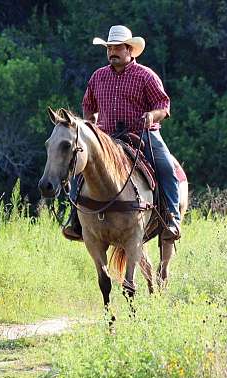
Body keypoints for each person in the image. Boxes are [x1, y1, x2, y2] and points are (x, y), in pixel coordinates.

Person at [62, 25, 181, 241]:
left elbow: (163, 106)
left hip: (142, 134)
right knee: (80, 166)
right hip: (106, 136)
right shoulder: (98, 76)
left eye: (117, 48)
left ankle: (171, 219)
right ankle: (75, 219)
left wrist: (151, 116)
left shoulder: (146, 76)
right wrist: (90, 122)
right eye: (109, 48)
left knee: (166, 167)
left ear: (130, 50)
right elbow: (88, 103)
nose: (111, 52)